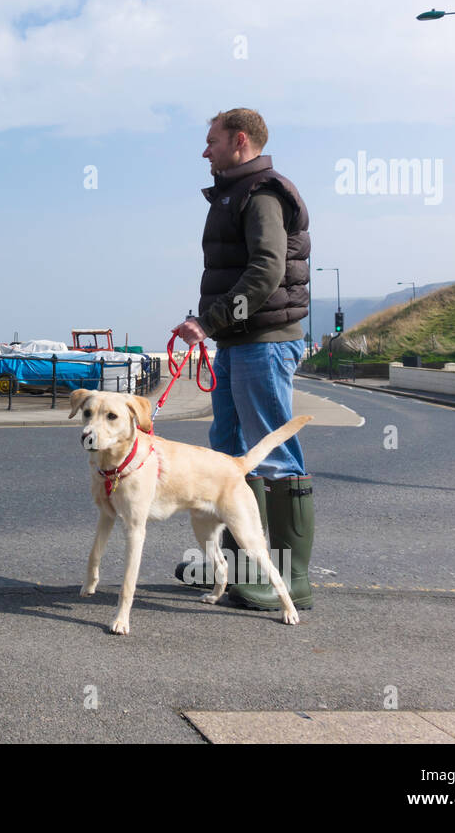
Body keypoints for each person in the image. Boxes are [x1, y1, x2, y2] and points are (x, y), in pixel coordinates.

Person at [170, 108, 315, 612]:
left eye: (210, 140)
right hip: (239, 341)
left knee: (271, 454)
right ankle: (235, 571)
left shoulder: (262, 193)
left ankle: (289, 580)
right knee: (226, 457)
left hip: (264, 340)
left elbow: (266, 271)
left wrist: (207, 323)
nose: (204, 150)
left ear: (239, 141)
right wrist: (216, 328)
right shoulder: (237, 192)